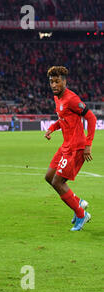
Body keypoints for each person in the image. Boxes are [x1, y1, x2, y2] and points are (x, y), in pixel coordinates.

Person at [44, 66, 96, 231]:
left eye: (57, 81)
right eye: (51, 81)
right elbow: (63, 118)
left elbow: (91, 118)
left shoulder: (72, 99)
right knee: (49, 177)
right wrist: (52, 128)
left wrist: (88, 144)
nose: (54, 84)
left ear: (64, 82)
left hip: (76, 147)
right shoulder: (57, 98)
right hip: (65, 145)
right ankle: (77, 202)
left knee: (58, 182)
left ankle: (81, 214)